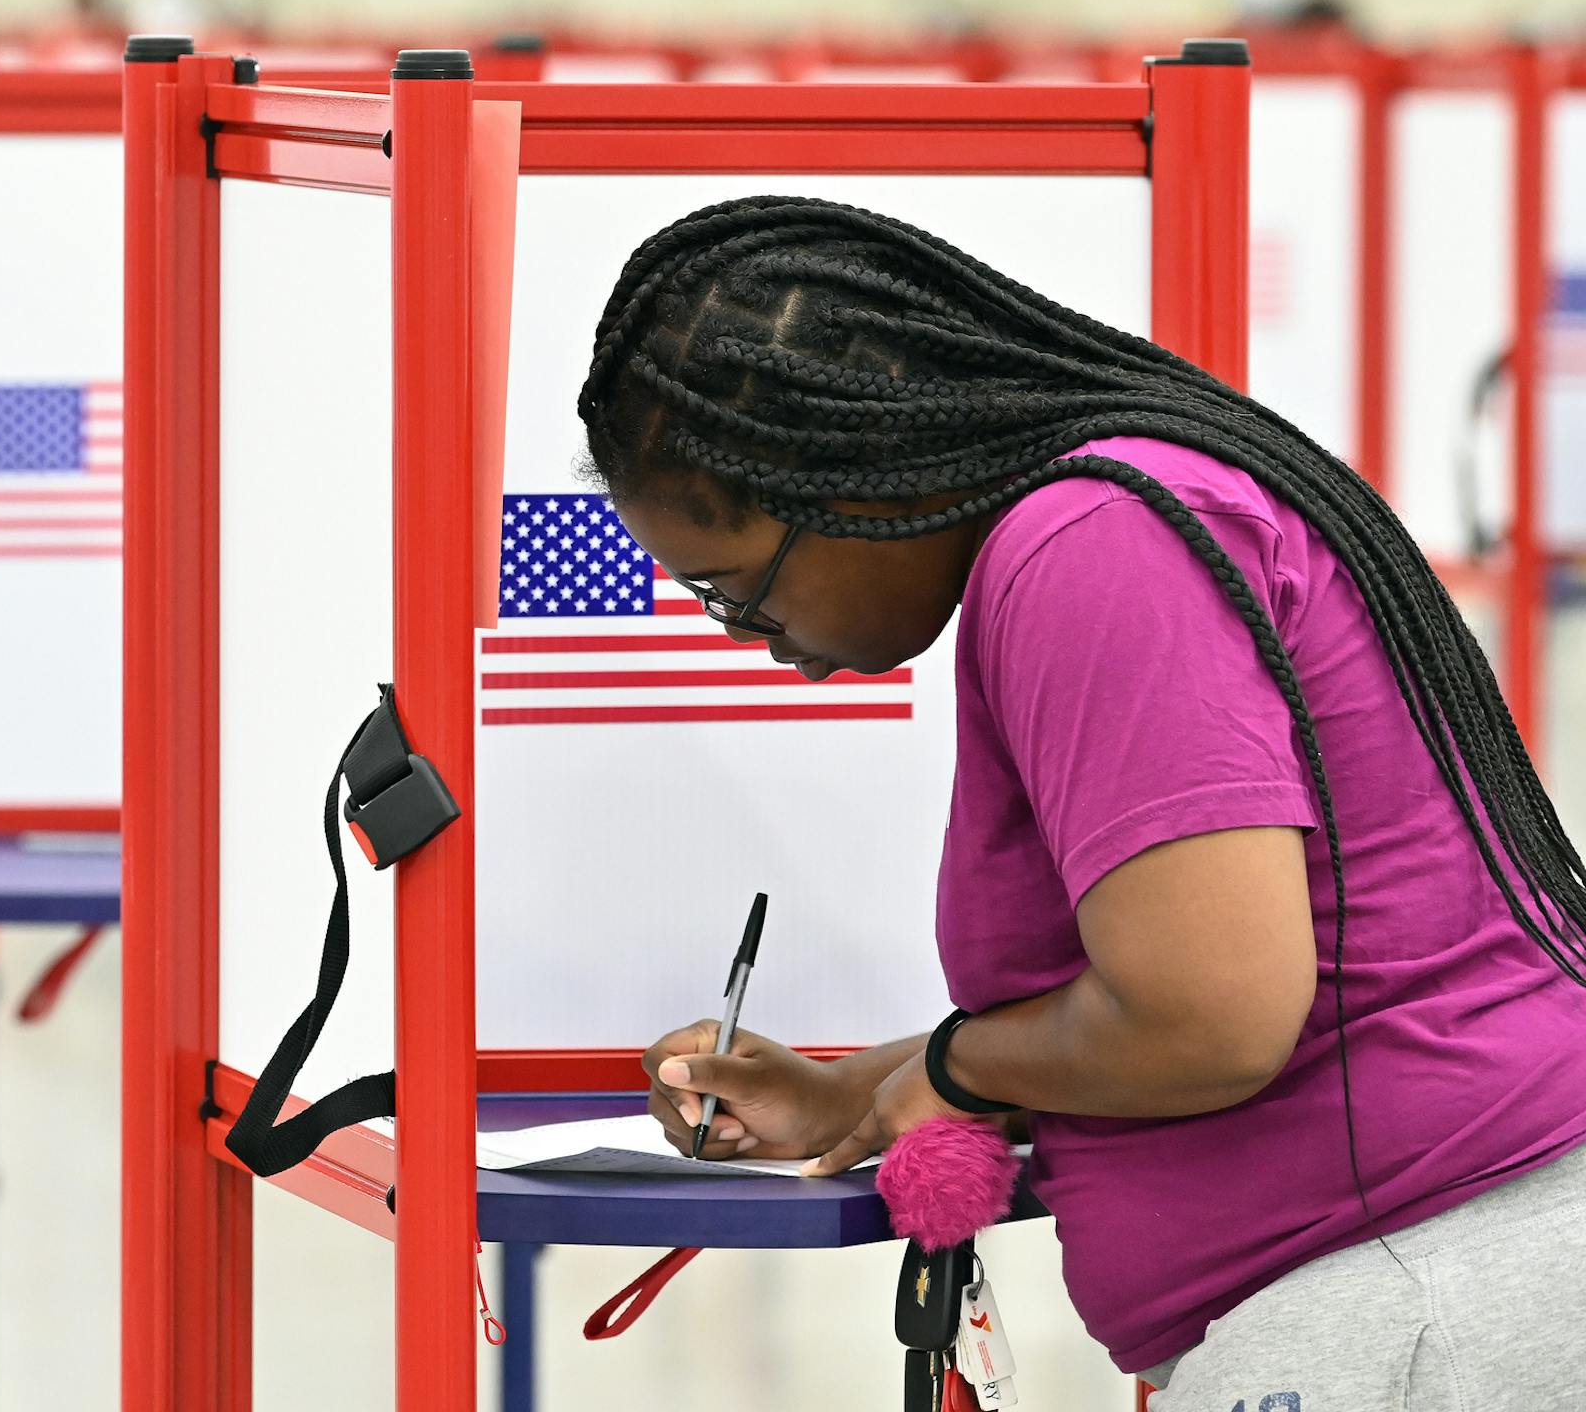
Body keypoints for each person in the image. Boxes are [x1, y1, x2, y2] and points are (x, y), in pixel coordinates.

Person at [588, 196, 1586, 1406]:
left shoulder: (1091, 546)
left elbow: (1207, 1018)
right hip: (1420, 1277)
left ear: (854, 475)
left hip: (1416, 1298)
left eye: (734, 587)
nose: (754, 637)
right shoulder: (1107, 519)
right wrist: (861, 1089)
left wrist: (952, 1069)